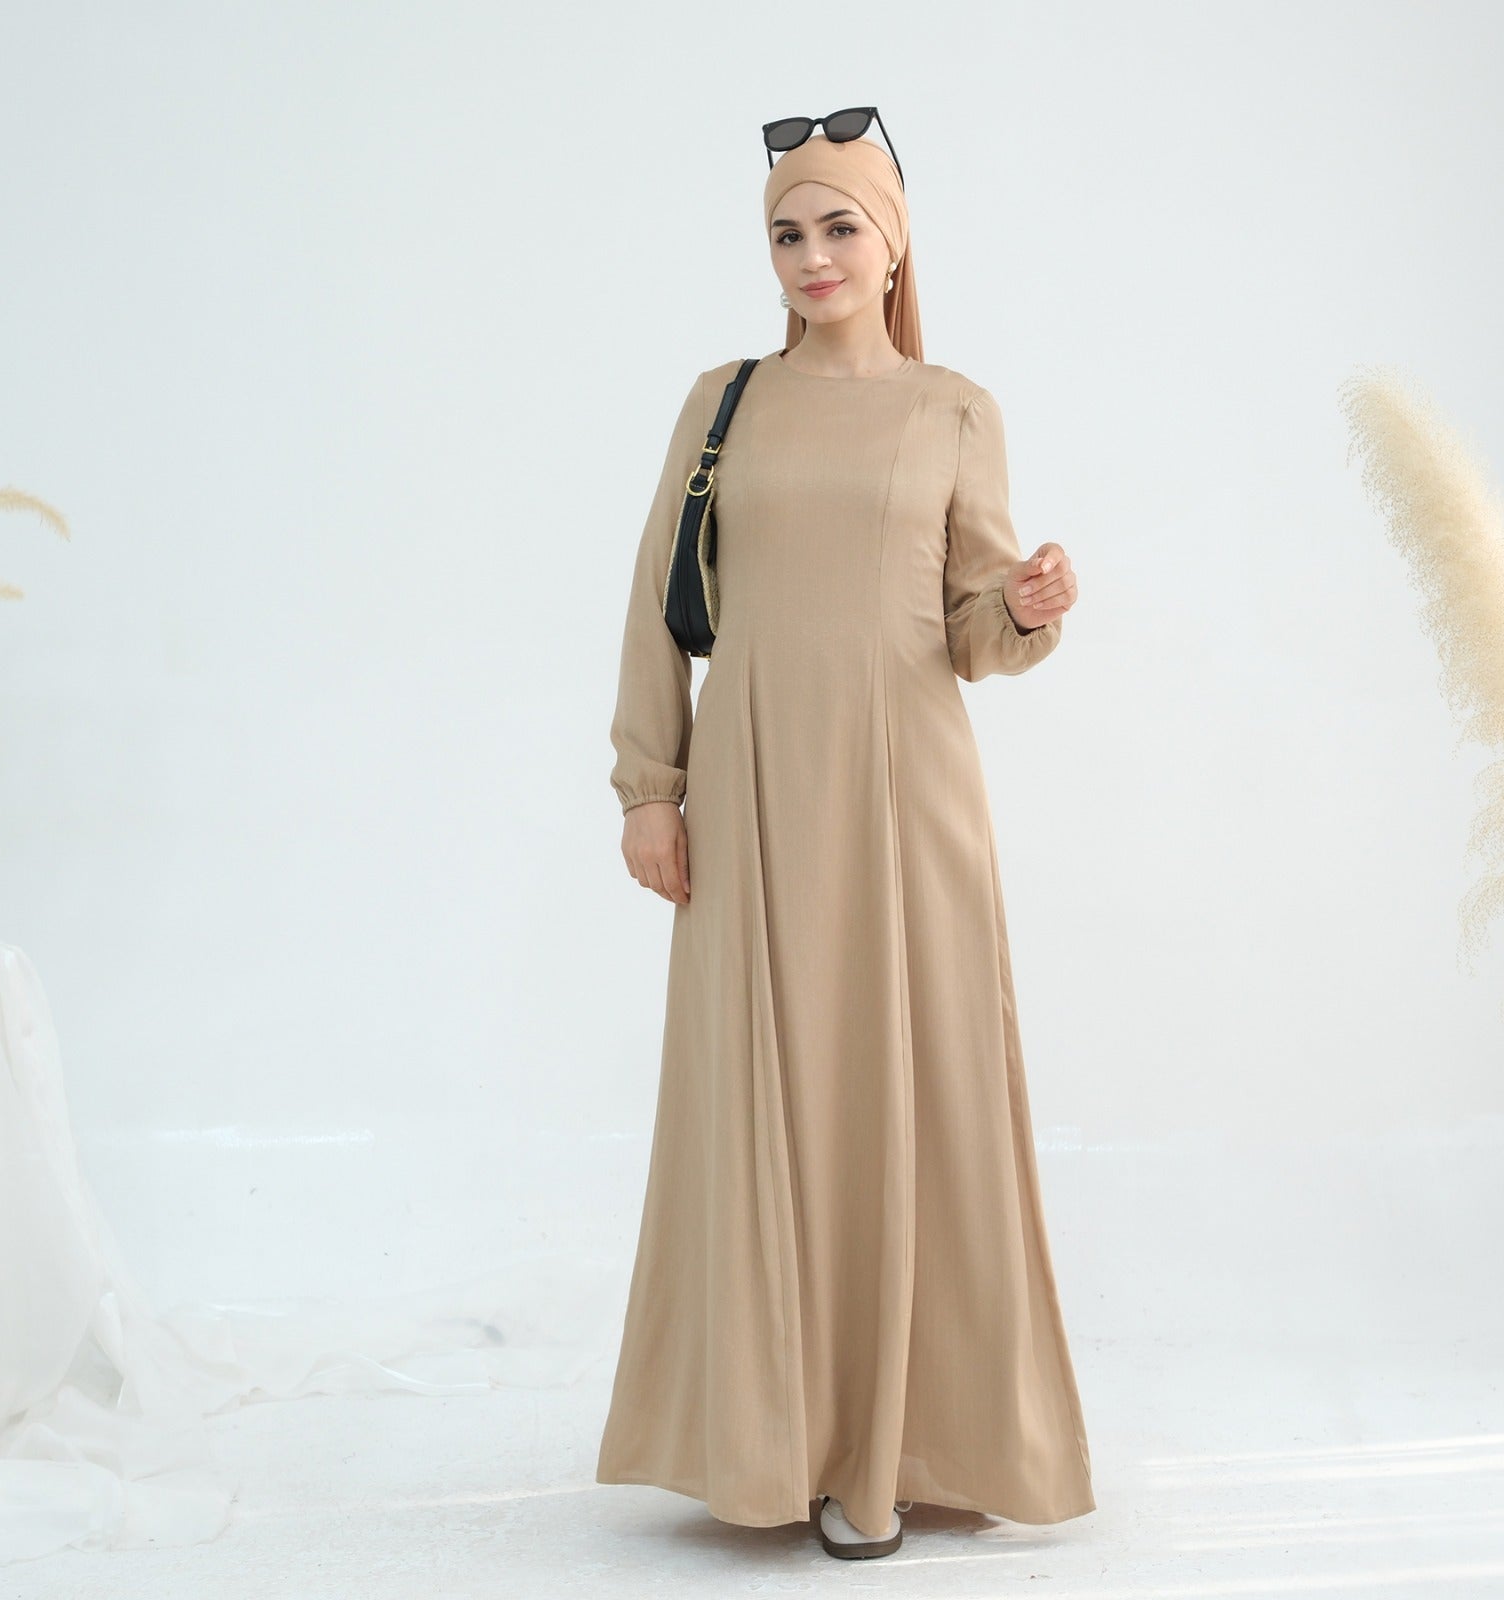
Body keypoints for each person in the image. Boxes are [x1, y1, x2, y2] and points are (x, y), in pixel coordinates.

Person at [595, 114, 1093, 1562]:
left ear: (893, 241)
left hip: (905, 799)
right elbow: (655, 604)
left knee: (914, 1093)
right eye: (786, 232)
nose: (812, 257)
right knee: (766, 1091)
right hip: (750, 794)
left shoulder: (954, 411)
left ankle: (907, 1441)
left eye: (838, 227)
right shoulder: (724, 401)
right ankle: (774, 1435)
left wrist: (1024, 608)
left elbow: (968, 628)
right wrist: (649, 786)